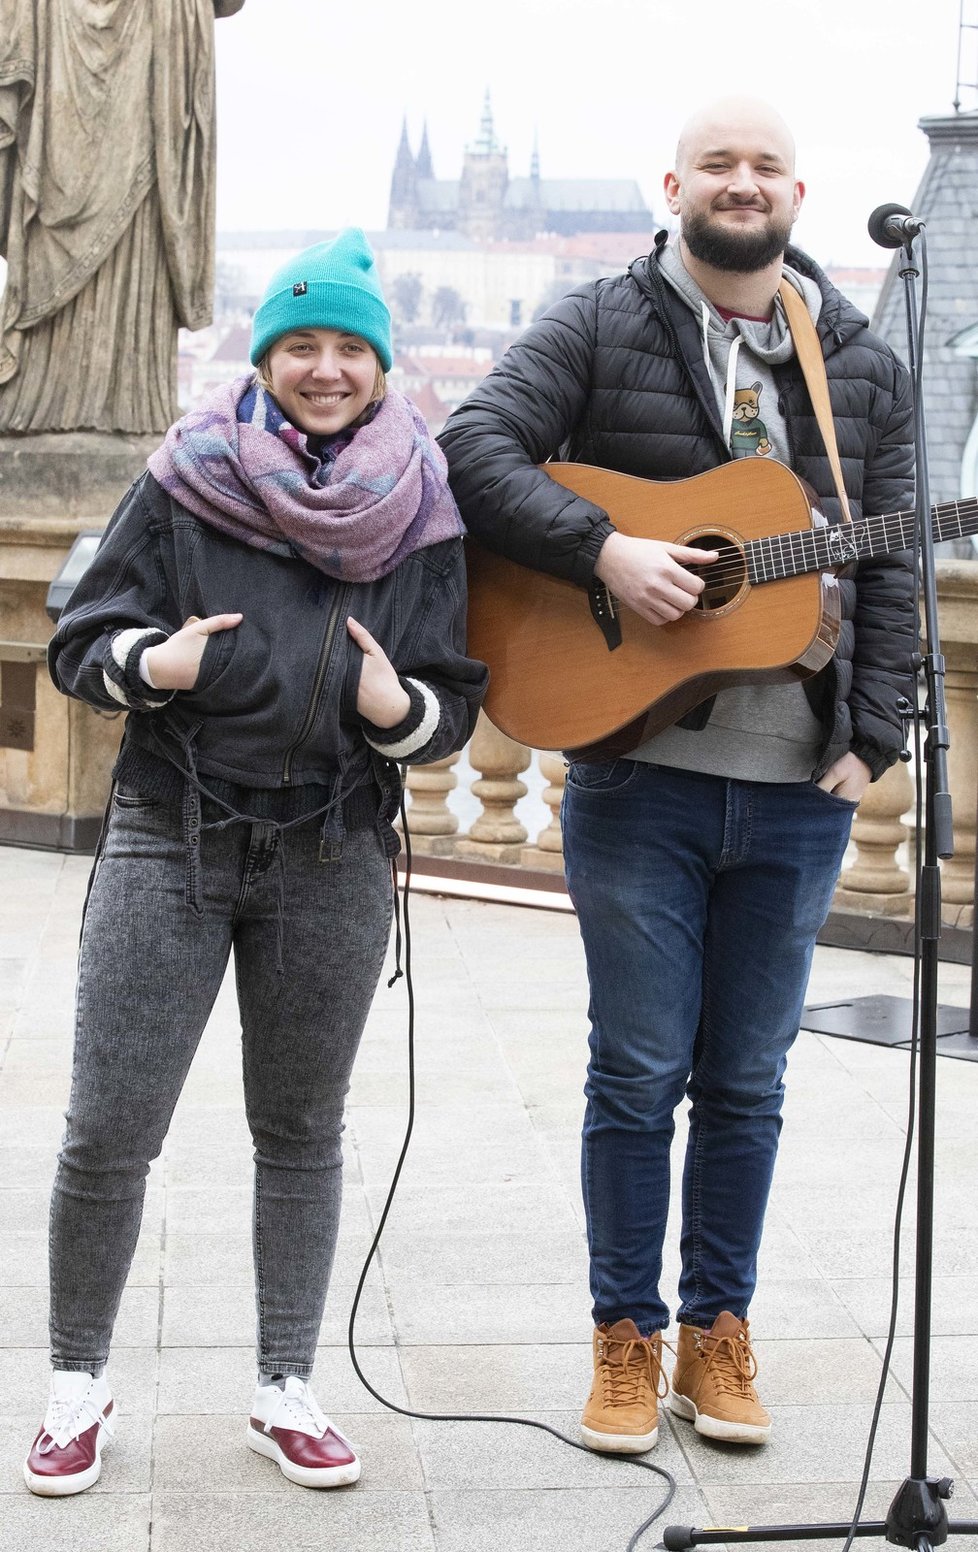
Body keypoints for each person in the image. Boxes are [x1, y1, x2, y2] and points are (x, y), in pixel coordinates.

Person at [440, 98, 914, 1453]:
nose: (743, 182)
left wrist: (873, 734)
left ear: (799, 192)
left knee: (750, 1078)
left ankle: (718, 1333)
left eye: (765, 164)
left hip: (794, 786)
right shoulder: (596, 324)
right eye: (720, 162)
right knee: (636, 1072)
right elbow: (470, 451)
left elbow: (887, 556)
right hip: (634, 773)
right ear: (674, 184)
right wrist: (604, 552)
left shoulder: (858, 362)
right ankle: (622, 1340)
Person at [26, 228, 487, 1496]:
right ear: (266, 356)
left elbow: (456, 700)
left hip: (334, 848)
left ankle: (285, 1386)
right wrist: (150, 665)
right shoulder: (182, 480)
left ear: (382, 367)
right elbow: (78, 641)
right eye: (301, 346)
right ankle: (76, 1384)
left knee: (300, 1129)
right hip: (169, 831)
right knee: (110, 1128)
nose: (326, 368)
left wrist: (402, 711)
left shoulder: (425, 511)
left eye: (350, 347)